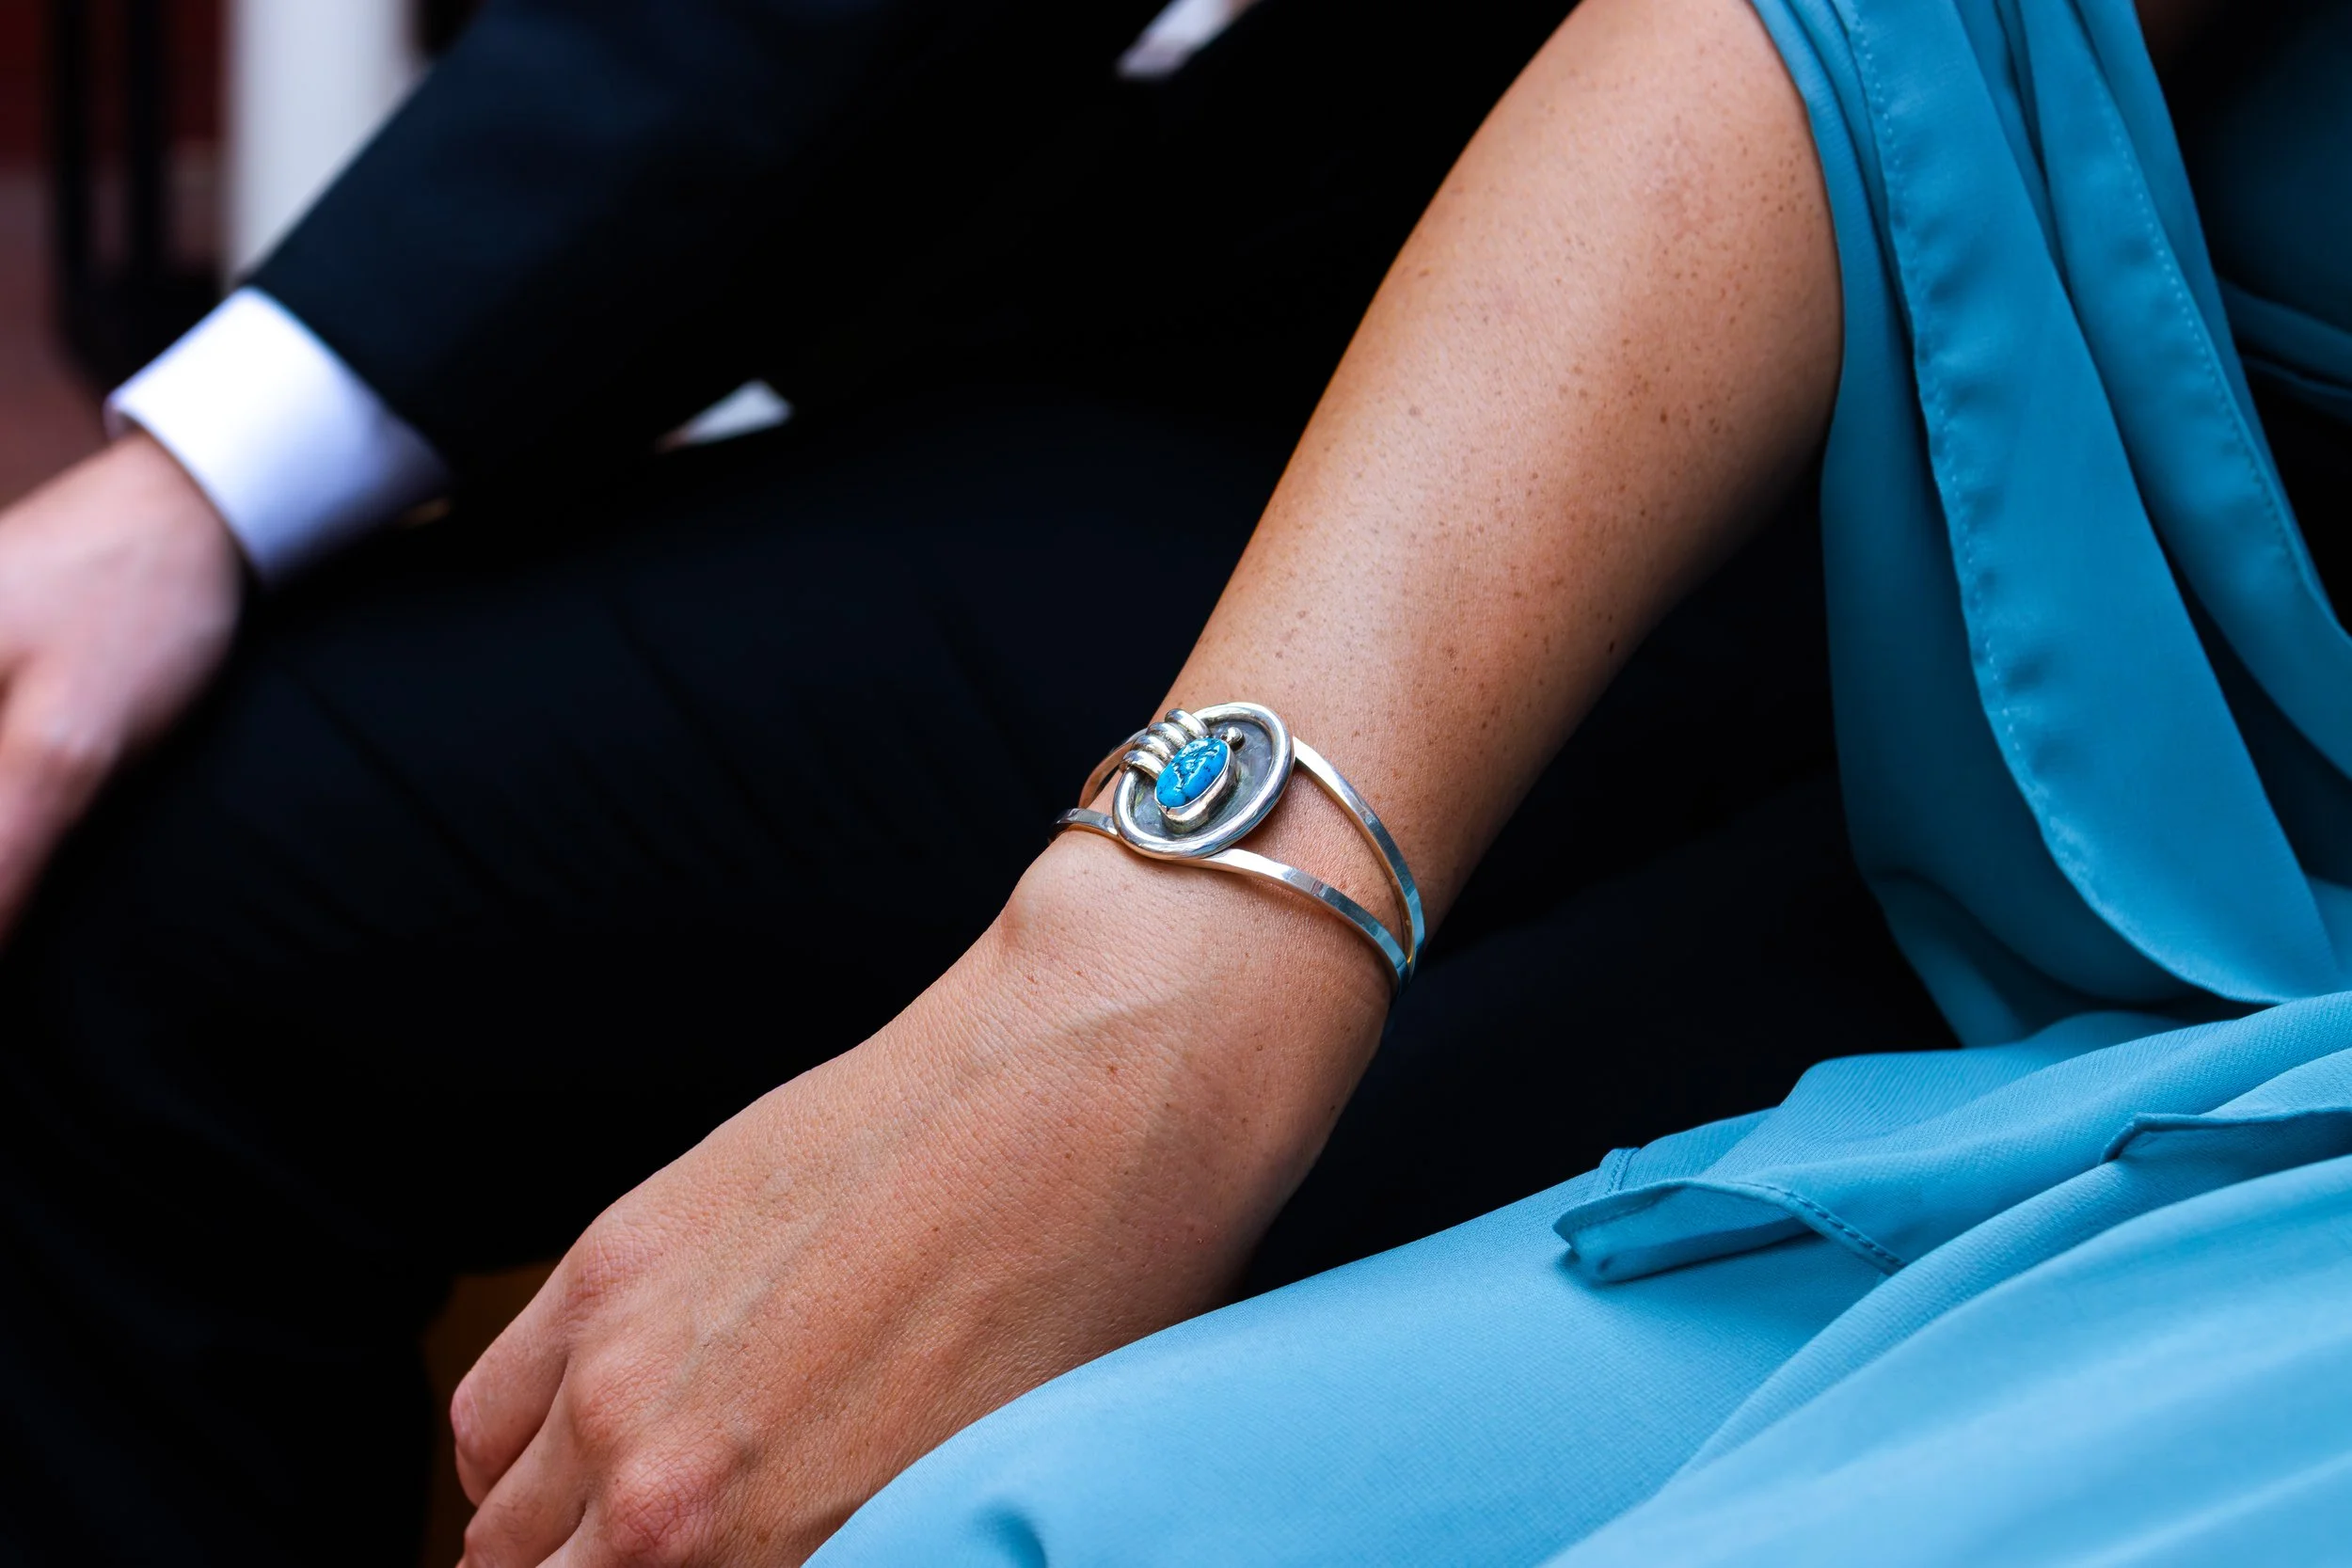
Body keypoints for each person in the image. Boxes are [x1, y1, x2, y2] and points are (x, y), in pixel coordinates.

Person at [3, 0, 2343, 1565]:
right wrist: (1146, 973)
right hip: (1604, 343)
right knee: (199, 875)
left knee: (1049, 1498)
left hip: (2217, 874)